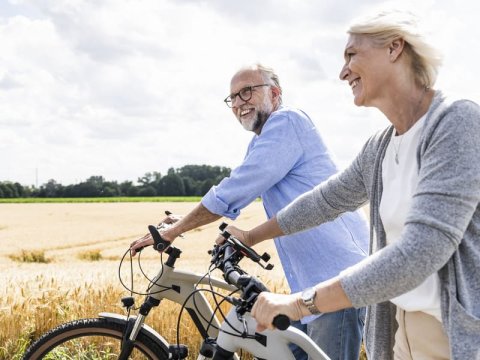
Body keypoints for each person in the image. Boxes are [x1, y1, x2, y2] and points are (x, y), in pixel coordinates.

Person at [223, 10, 480, 360]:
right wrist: (251, 237)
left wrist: (301, 303)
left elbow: (418, 253)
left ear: (394, 48)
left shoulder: (455, 122)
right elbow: (323, 201)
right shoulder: (382, 145)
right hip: (401, 327)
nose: (343, 71)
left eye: (351, 55)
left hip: (454, 334)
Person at [130, 63, 369, 360]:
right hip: (308, 284)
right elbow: (240, 196)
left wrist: (174, 231)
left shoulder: (287, 122)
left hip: (334, 274)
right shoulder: (261, 140)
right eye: (233, 97)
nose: (239, 102)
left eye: (247, 91)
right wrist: (186, 222)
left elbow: (236, 188)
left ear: (275, 94)